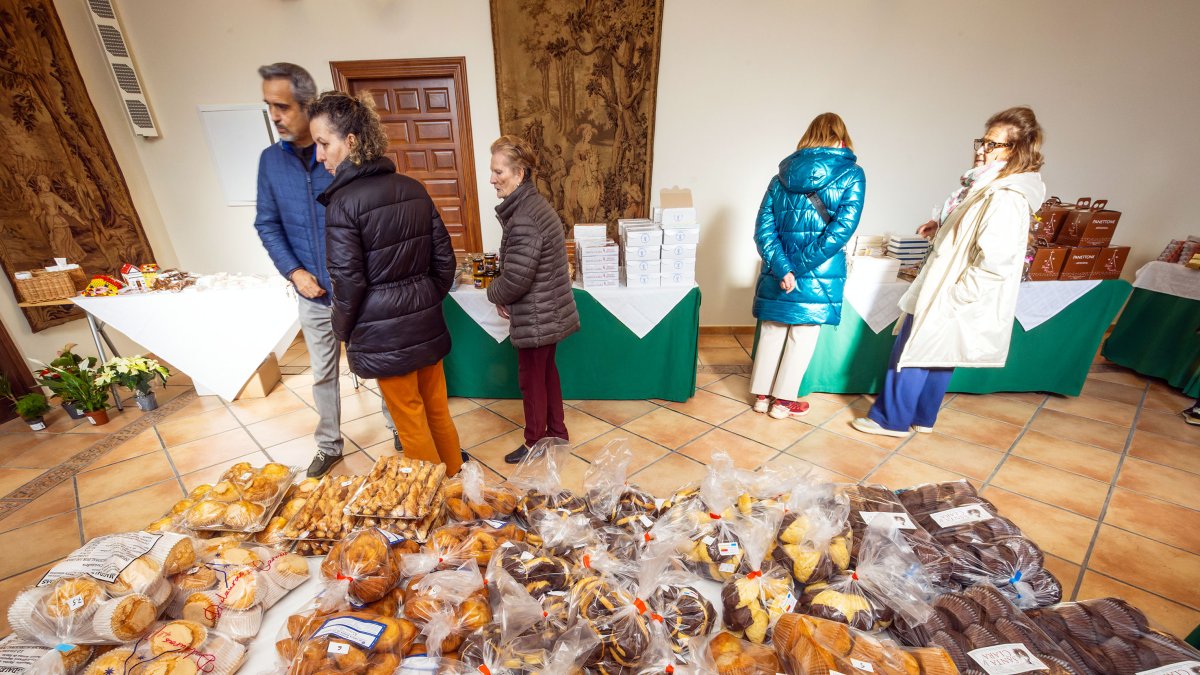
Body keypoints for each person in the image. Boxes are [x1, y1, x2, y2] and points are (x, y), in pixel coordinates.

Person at [852, 107, 1047, 437]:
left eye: (993, 144)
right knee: (938, 352)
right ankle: (922, 417)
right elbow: (972, 233)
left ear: (1016, 151)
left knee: (913, 350)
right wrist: (942, 226)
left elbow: (995, 262)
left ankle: (889, 420)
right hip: (948, 284)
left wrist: (957, 295)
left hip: (951, 289)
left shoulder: (1004, 196)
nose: (981, 149)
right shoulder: (987, 186)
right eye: (982, 141)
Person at [253, 63, 397, 478]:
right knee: (323, 373)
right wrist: (294, 271)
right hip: (313, 294)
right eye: (269, 107)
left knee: (380, 365)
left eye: (282, 106)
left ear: (306, 105)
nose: (275, 116)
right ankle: (329, 444)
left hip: (362, 293)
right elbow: (267, 222)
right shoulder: (270, 162)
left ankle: (398, 431)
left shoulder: (343, 158)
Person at [308, 91, 463, 476]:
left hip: (383, 333)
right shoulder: (412, 188)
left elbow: (348, 283)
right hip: (424, 324)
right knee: (438, 411)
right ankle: (460, 490)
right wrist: (424, 299)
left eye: (324, 144)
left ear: (352, 141)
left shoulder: (343, 204)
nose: (319, 156)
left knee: (410, 421)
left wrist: (341, 330)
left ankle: (436, 505)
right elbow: (445, 263)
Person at [750, 113, 865, 419]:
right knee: (802, 333)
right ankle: (783, 402)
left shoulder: (780, 177)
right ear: (841, 138)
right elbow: (841, 230)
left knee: (774, 326)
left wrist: (783, 267)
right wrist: (798, 269)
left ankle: (762, 396)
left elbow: (763, 230)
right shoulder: (852, 174)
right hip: (819, 272)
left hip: (779, 269)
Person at [485, 135, 580, 464]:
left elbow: (515, 280)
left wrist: (493, 291)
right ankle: (556, 432)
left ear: (519, 173)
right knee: (545, 373)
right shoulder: (531, 206)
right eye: (493, 171)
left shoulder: (524, 216)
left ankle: (534, 442)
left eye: (499, 172)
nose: (492, 179)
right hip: (546, 311)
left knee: (532, 380)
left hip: (538, 315)